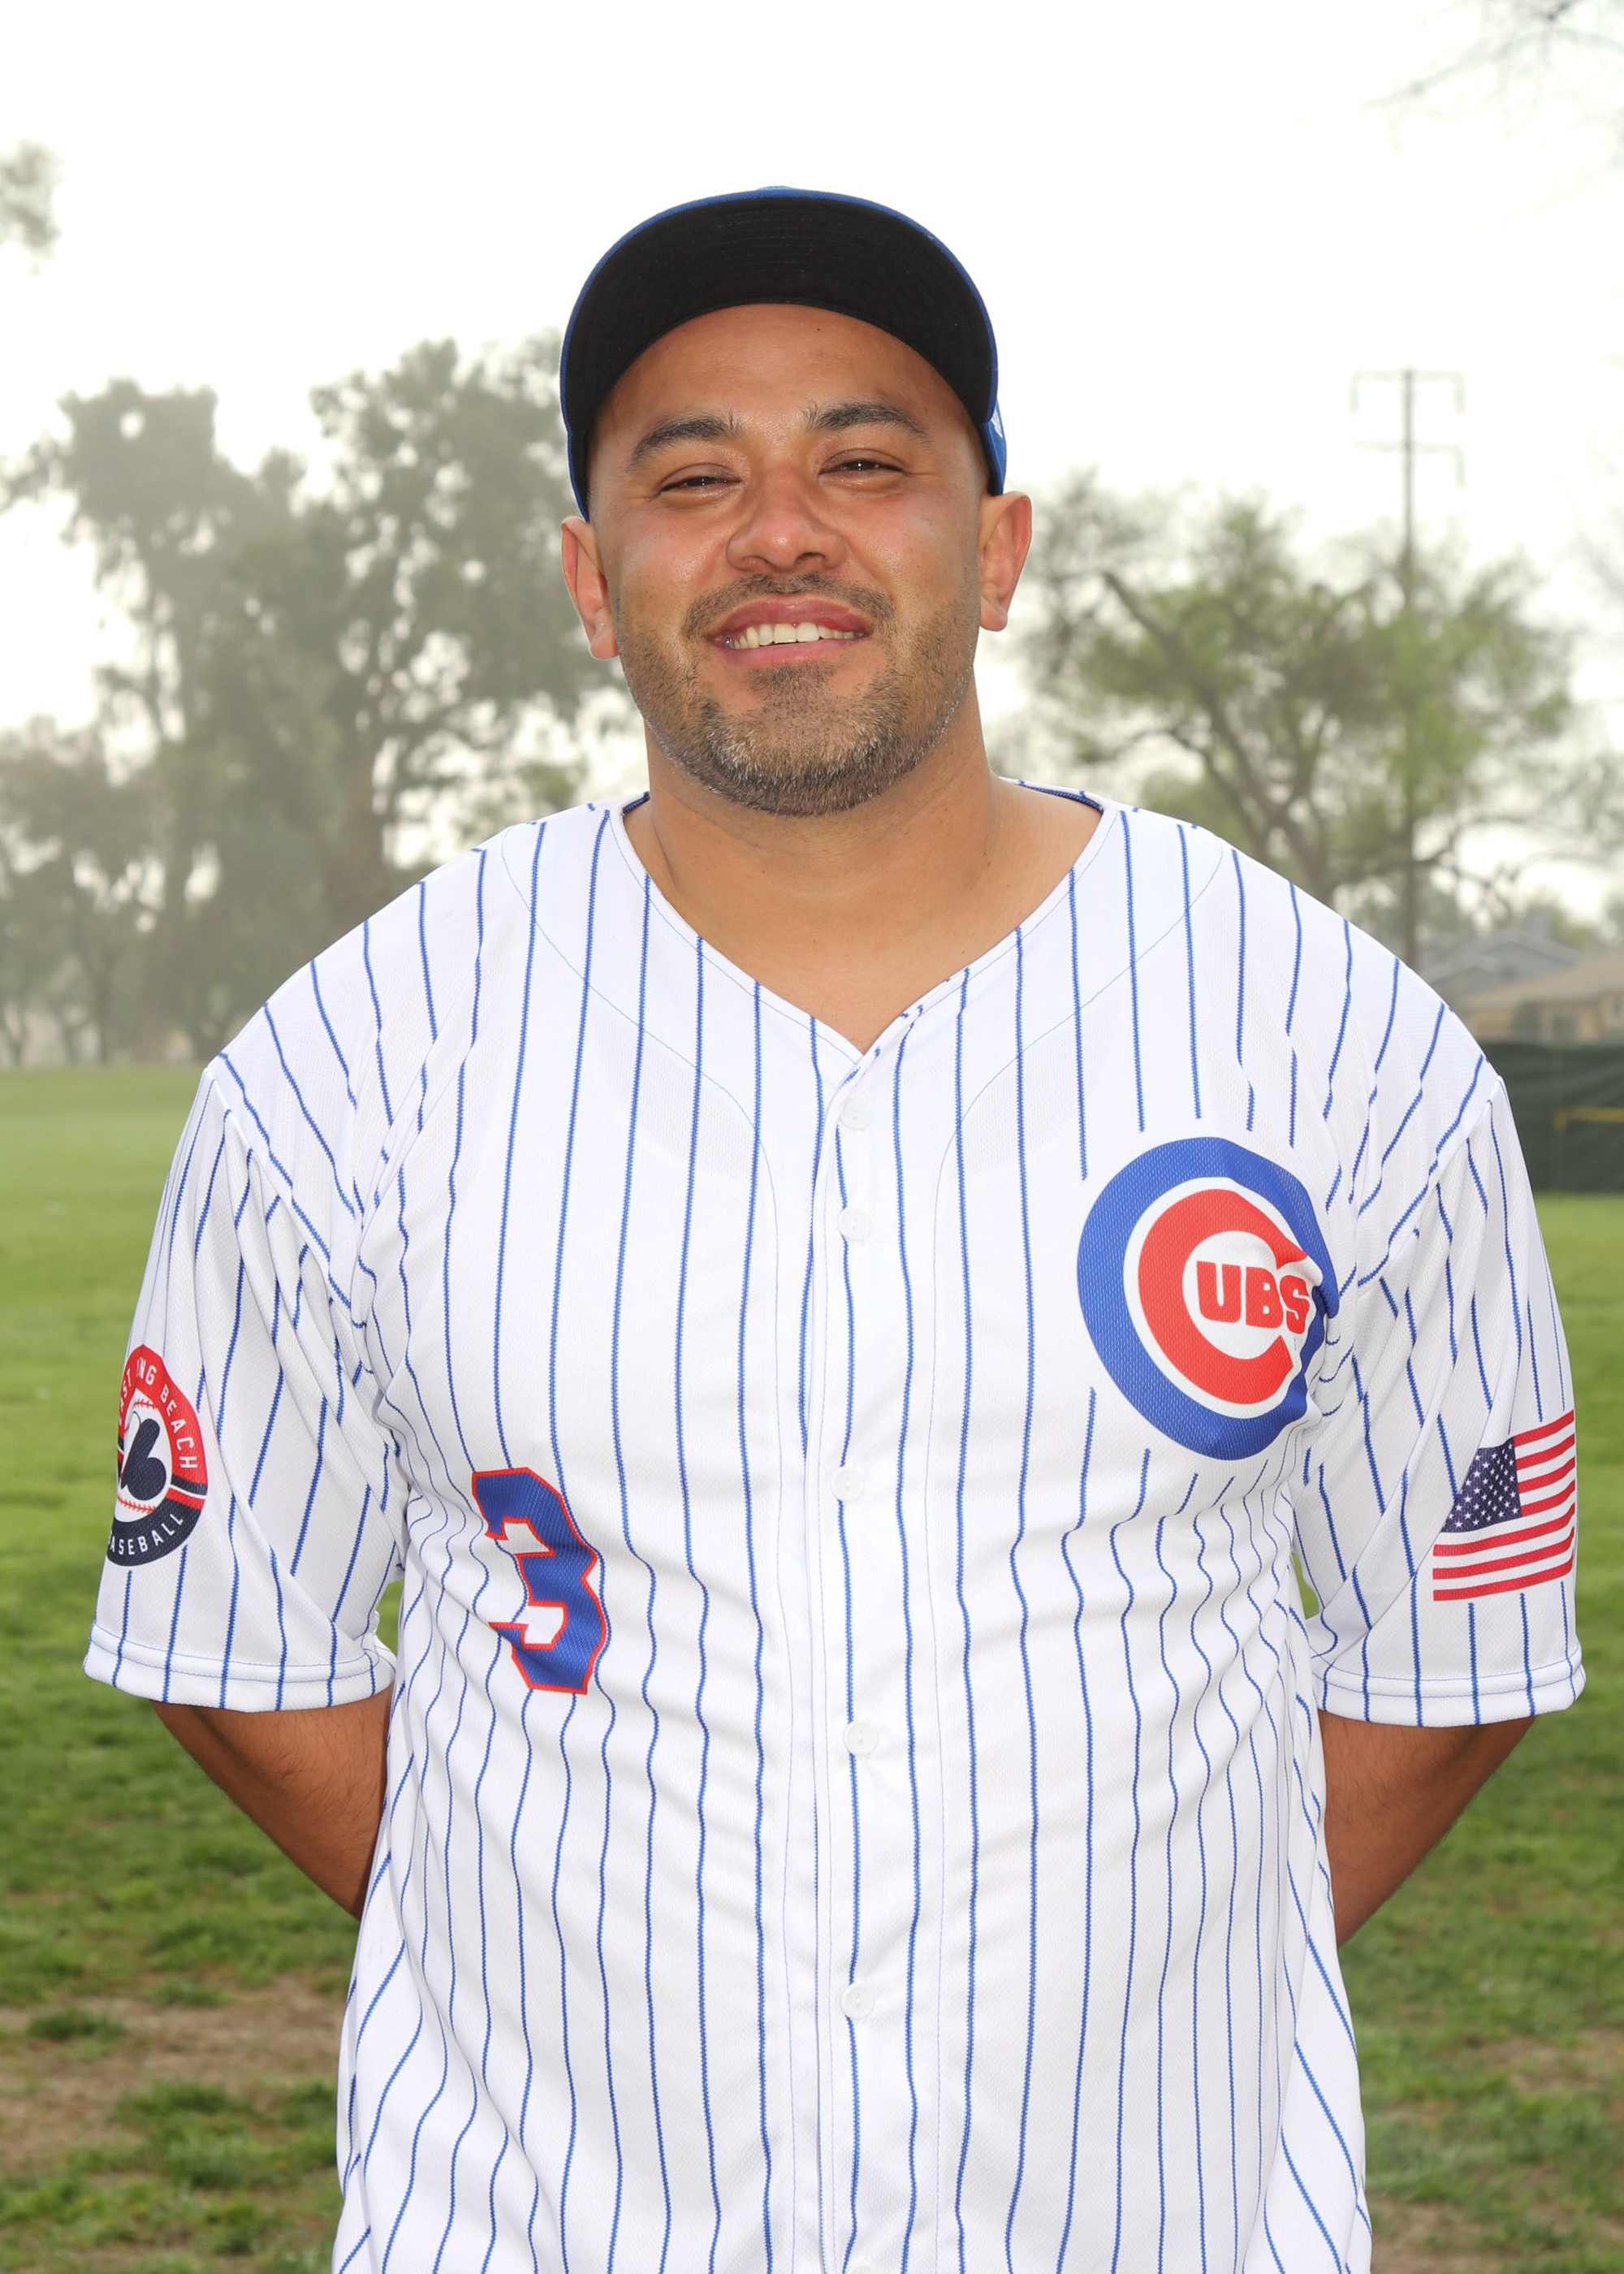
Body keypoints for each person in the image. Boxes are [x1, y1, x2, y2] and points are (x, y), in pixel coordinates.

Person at [86, 188, 1583, 2274]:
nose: (778, 533)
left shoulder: (1332, 1034)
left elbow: (1456, 1643)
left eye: (864, 463)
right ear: (591, 580)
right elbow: (240, 1651)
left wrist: (1115, 1983)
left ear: (997, 549)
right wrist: (562, 1961)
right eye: (692, 478)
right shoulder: (351, 1059)